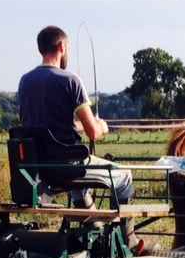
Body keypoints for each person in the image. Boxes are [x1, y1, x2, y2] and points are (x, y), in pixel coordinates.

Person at [17, 25, 135, 207]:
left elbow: (41, 126)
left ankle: (90, 226)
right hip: (69, 166)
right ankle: (126, 234)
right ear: (62, 47)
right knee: (125, 176)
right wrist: (102, 126)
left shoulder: (25, 81)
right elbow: (93, 133)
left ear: (41, 48)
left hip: (39, 166)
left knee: (78, 188)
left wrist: (78, 125)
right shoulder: (70, 80)